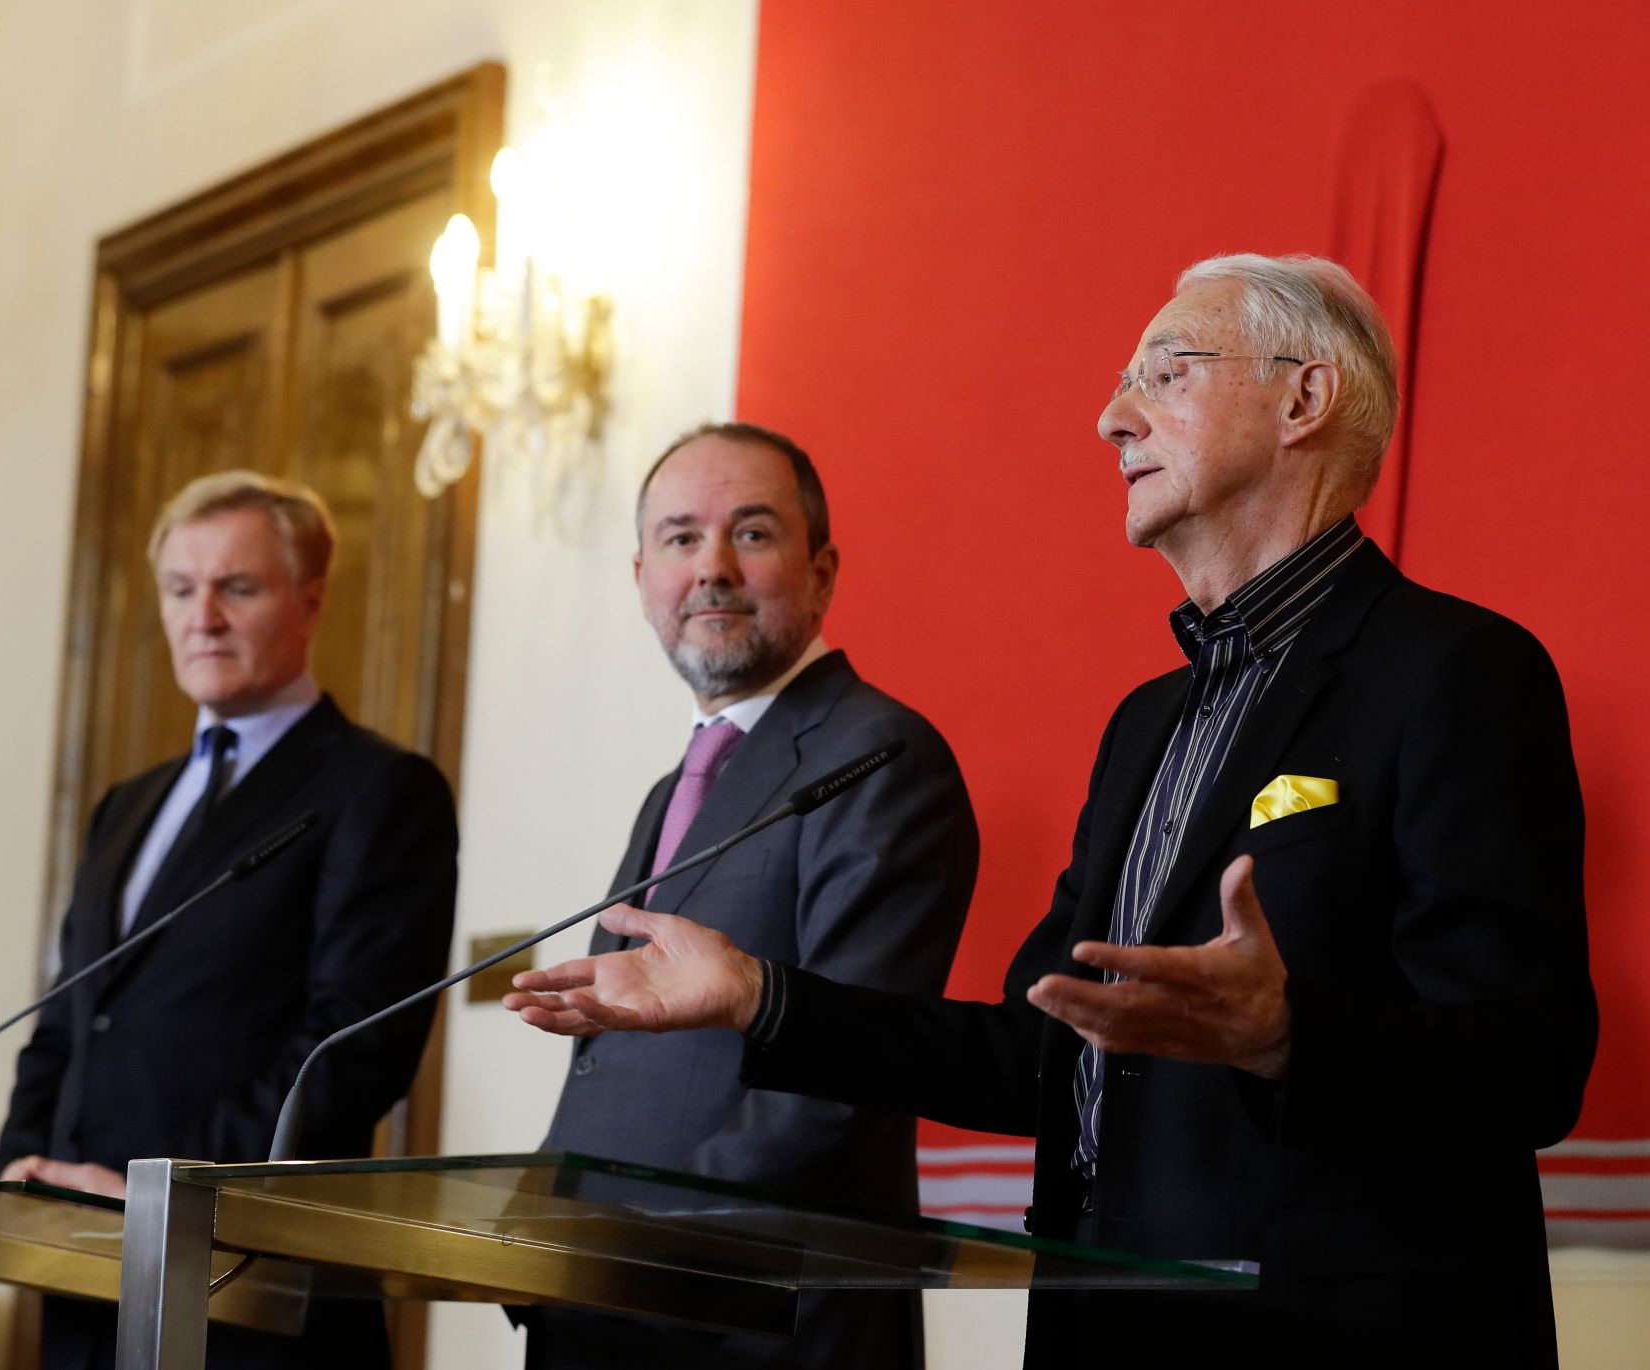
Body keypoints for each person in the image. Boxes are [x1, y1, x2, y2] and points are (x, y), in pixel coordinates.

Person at [507, 259, 1597, 1368]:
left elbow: (1532, 1062)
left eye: (1164, 374)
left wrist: (1284, 1033)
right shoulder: (1144, 722)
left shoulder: (1457, 673)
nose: (1111, 417)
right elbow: (1036, 1047)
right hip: (1104, 1325)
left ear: (1301, 401)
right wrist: (757, 995)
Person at [518, 423, 979, 1369]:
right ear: (643, 574)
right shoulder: (677, 784)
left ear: (823, 570)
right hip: (605, 1312)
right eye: (682, 538)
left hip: (762, 1322)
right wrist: (538, 1234)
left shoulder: (883, 760)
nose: (713, 567)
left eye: (754, 533)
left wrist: (628, 1245)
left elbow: (842, 1082)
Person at [0, 470, 458, 1370]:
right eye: (180, 589)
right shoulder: (126, 806)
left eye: (236, 588)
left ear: (310, 600)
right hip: (86, 1285)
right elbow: (71, 1019)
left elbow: (349, 1052)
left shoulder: (378, 790)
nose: (201, 615)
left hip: (251, 1297)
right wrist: (20, 1175)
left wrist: (162, 1194)